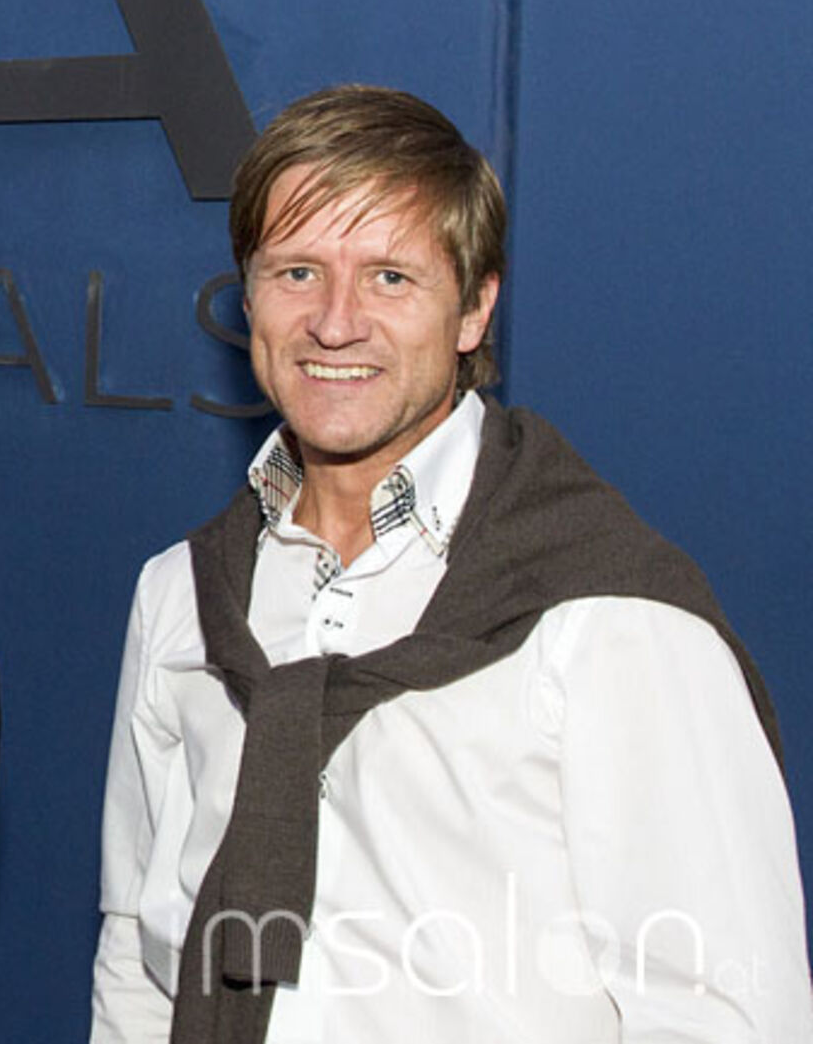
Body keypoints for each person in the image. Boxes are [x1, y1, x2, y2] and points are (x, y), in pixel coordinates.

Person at [90, 84, 811, 1042]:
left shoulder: (611, 616)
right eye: (298, 271)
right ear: (248, 295)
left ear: (474, 308)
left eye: (390, 277)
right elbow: (139, 952)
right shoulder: (181, 595)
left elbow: (724, 1011)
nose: (335, 322)